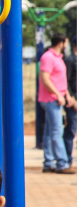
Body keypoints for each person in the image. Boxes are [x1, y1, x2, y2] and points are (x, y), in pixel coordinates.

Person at [37, 33, 75, 174]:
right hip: (51, 99)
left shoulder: (58, 58)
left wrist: (67, 94)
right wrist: (59, 95)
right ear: (61, 43)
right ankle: (62, 163)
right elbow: (45, 79)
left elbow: (60, 80)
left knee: (48, 132)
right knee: (56, 131)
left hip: (56, 98)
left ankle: (48, 162)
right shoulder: (48, 57)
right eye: (65, 42)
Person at [64, 37, 77, 169]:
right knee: (71, 130)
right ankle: (68, 159)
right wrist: (72, 99)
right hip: (73, 102)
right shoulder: (70, 60)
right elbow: (65, 82)